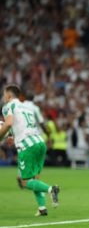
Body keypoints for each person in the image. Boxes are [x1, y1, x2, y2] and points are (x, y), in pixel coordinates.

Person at [0, 85, 60, 216]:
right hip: (39, 143)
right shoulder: (27, 108)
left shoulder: (8, 106)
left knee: (25, 181)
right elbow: (21, 124)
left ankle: (51, 189)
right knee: (34, 178)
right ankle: (42, 208)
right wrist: (11, 135)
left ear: (9, 96)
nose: (3, 98)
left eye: (4, 95)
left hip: (27, 146)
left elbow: (9, 123)